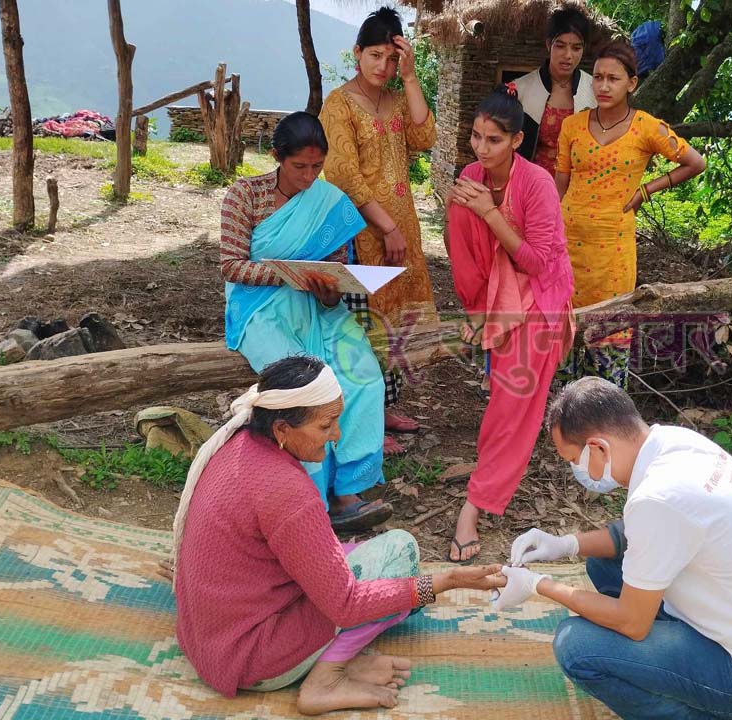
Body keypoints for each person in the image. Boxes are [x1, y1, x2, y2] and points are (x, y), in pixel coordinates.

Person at [172, 355, 504, 714]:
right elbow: (346, 605)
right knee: (400, 553)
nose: (336, 435)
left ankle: (330, 659)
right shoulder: (287, 492)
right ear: (282, 429)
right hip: (253, 658)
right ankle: (327, 679)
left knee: (372, 575)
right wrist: (444, 581)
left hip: (209, 641)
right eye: (326, 425)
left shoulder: (237, 442)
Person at [493, 377, 732, 720]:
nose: (577, 471)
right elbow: (633, 534)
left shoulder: (659, 498)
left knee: (575, 646)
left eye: (574, 459)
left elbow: (632, 623)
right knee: (600, 565)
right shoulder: (674, 443)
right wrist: (565, 545)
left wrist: (538, 585)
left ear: (599, 448)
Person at [220, 111, 392, 532]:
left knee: (362, 373)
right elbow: (231, 266)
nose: (309, 176)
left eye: (317, 166)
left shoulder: (329, 202)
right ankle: (306, 496)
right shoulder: (244, 196)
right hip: (258, 309)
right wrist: (286, 273)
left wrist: (329, 289)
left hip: (318, 307)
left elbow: (333, 269)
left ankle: (348, 487)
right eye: (300, 166)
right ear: (277, 156)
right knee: (302, 388)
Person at [444, 85, 576, 562]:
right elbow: (463, 249)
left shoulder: (537, 183)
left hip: (539, 291)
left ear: (516, 141)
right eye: (476, 137)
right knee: (460, 204)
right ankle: (480, 315)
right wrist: (475, 307)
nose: (481, 149)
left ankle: (473, 507)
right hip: (491, 291)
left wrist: (492, 212)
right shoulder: (471, 176)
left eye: (493, 140)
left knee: (512, 400)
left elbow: (540, 263)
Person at [320, 7, 438, 456]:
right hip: (361, 233)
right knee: (362, 325)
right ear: (357, 53)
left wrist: (410, 79)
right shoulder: (339, 104)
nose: (383, 67)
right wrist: (385, 226)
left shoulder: (395, 98)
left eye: (392, 59)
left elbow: (425, 137)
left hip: (402, 229)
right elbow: (344, 173)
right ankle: (362, 418)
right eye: (375, 56)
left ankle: (385, 407)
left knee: (394, 325)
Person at [555, 39, 706, 388]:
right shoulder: (572, 126)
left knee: (609, 337)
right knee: (564, 338)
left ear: (632, 83)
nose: (604, 86)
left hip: (614, 251)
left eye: (614, 78)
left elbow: (695, 162)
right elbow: (559, 184)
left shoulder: (647, 127)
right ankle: (566, 424)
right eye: (598, 77)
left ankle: (607, 422)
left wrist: (647, 190)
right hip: (567, 244)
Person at [512, 5, 597, 173]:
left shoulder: (594, 90)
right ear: (548, 45)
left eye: (576, 48)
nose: (568, 55)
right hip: (532, 184)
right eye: (560, 46)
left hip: (579, 188)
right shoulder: (521, 89)